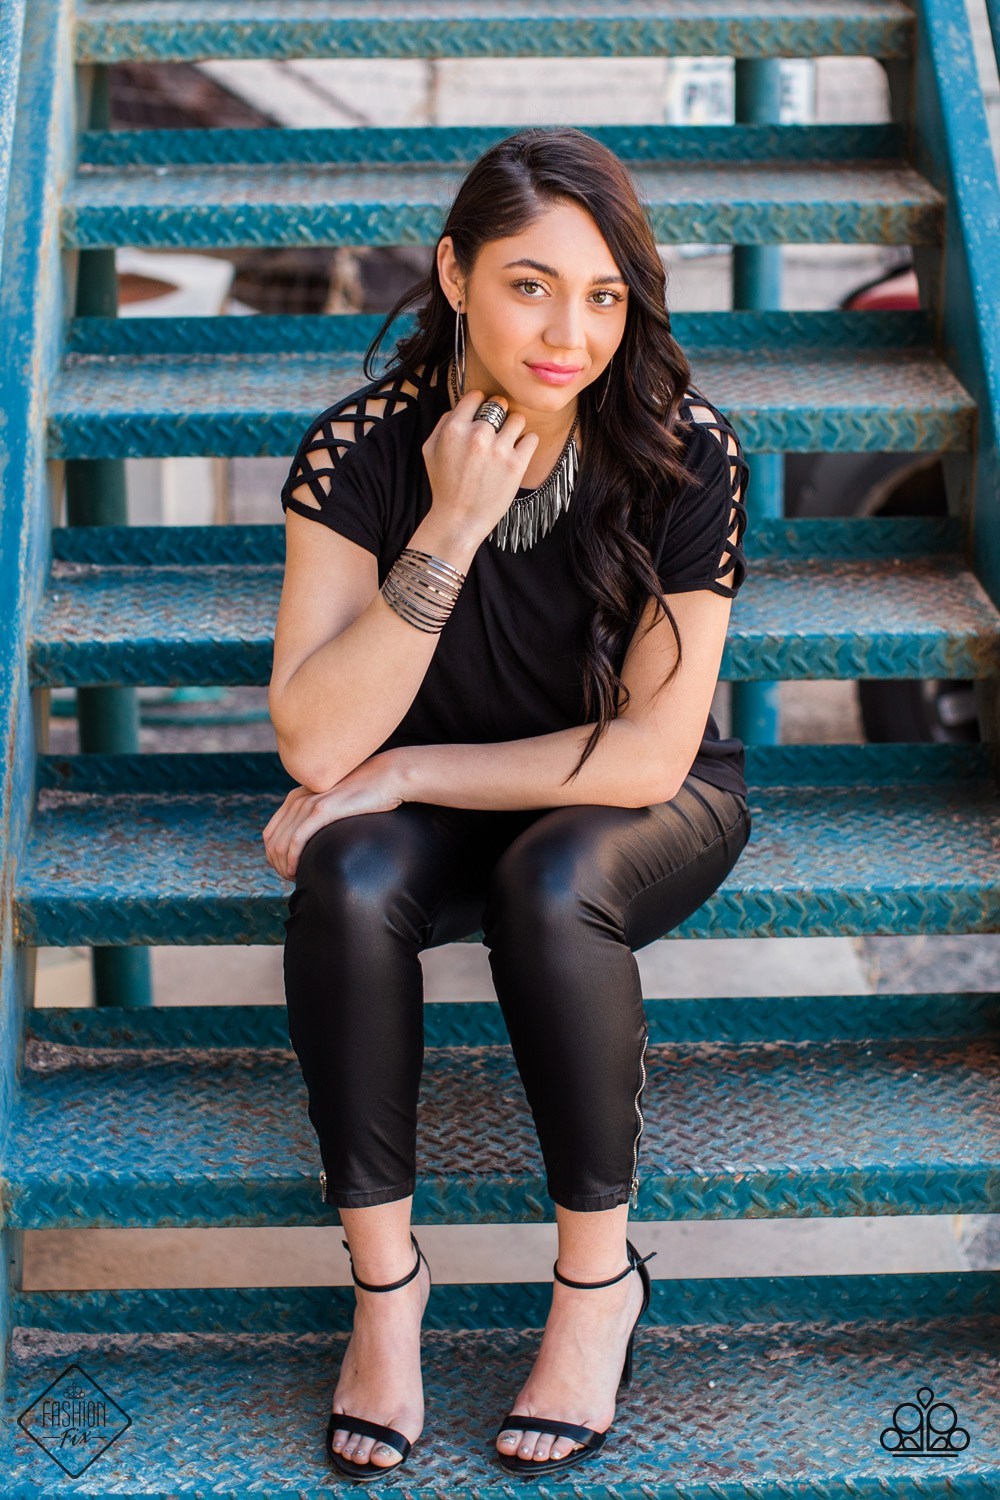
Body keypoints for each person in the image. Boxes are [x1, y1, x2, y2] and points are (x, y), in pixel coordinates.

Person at [263, 125, 751, 1483]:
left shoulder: (682, 450)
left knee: (550, 886)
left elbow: (648, 755)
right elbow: (316, 737)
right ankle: (386, 1291)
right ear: (455, 276)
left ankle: (597, 1285)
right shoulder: (363, 450)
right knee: (347, 878)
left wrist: (407, 771)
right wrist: (451, 525)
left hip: (628, 804)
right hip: (432, 799)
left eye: (604, 296)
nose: (569, 335)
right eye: (530, 285)